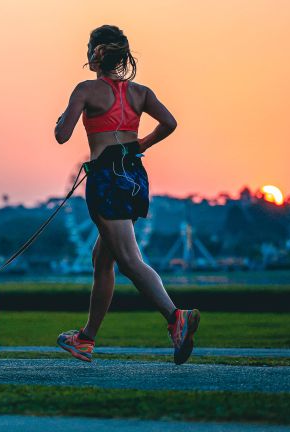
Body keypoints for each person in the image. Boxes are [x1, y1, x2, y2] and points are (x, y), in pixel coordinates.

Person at [54, 24, 200, 365]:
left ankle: (175, 316)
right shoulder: (141, 92)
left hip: (106, 179)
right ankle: (86, 338)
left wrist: (62, 117)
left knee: (130, 260)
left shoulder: (86, 90)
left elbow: (63, 134)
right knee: (102, 259)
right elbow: (170, 123)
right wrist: (140, 145)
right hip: (134, 178)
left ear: (94, 55)